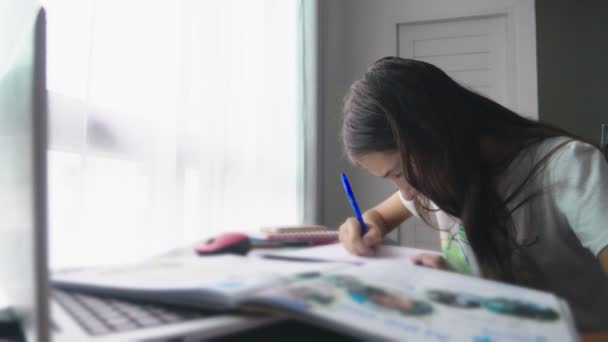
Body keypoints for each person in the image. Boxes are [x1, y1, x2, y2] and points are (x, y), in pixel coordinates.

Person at [337, 56, 608, 330]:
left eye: (397, 172)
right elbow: (380, 217)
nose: (405, 194)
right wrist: (366, 225)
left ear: (433, 135)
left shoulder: (567, 167)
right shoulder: (430, 181)